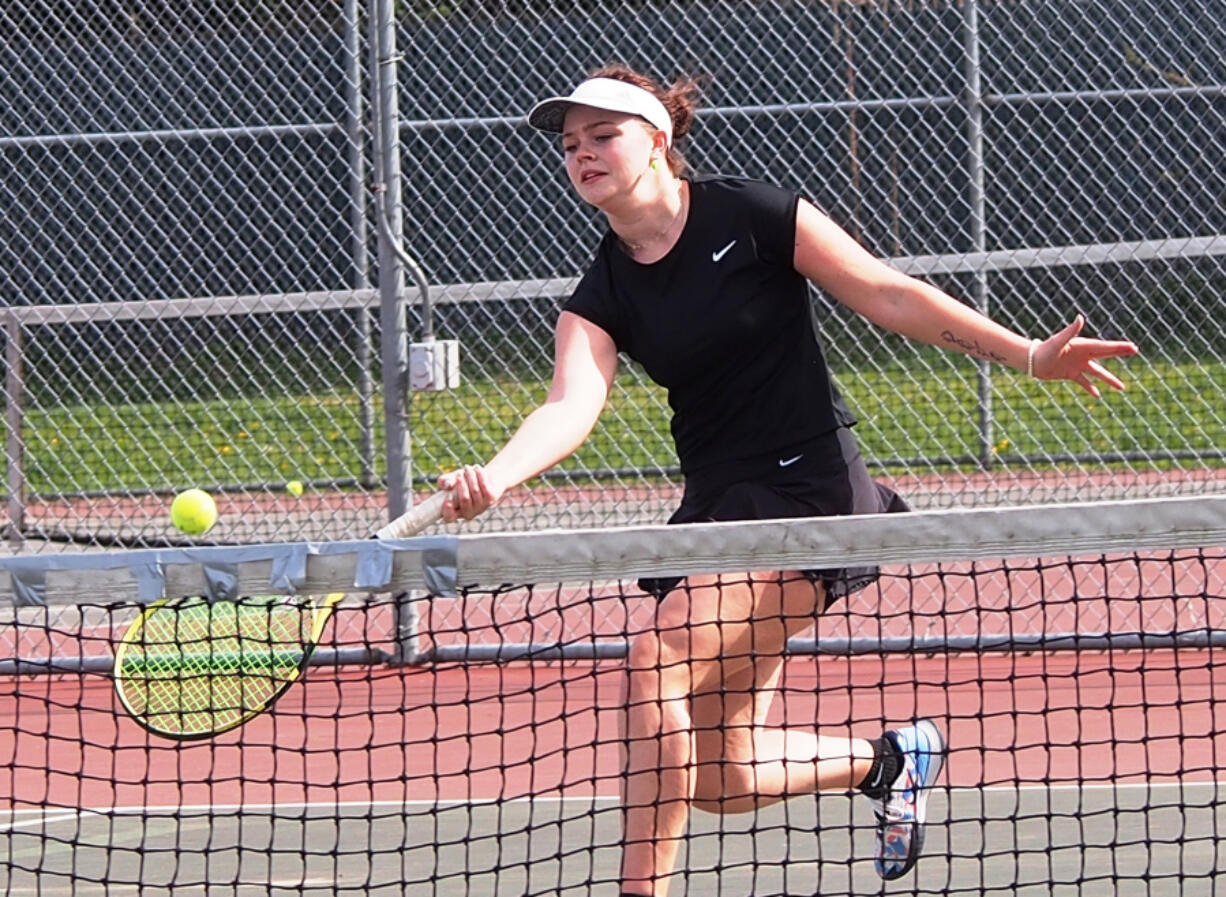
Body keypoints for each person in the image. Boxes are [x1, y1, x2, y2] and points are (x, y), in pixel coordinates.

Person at [436, 64, 1139, 896]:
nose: (582, 153)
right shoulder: (602, 290)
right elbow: (569, 405)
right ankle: (889, 760)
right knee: (722, 780)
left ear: (657, 141)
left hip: (811, 490)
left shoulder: (752, 213)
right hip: (717, 511)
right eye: (569, 144)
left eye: (602, 136)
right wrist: (501, 474)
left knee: (654, 659)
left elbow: (888, 294)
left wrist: (1026, 354)